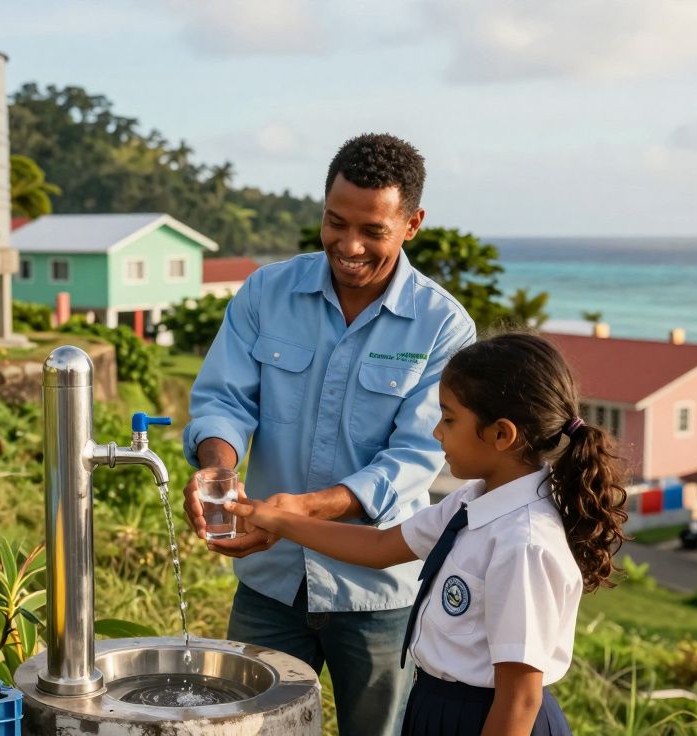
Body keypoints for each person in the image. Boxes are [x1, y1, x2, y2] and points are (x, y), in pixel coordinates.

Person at [181, 133, 476, 735]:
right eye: (335, 223)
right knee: (248, 729)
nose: (349, 245)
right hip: (270, 584)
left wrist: (298, 513)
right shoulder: (267, 291)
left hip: (378, 595)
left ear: (412, 224)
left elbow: (412, 458)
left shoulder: (443, 326)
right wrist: (218, 468)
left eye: (372, 230)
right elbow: (224, 400)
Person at [214, 333, 629, 735]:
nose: (436, 432)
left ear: (501, 434)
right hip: (438, 707)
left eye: (449, 419)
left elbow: (519, 699)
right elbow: (380, 546)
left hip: (487, 719)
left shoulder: (524, 543)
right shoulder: (473, 500)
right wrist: (278, 518)